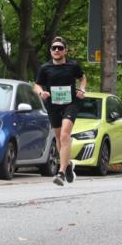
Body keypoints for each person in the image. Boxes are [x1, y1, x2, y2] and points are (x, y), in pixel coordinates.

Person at [33, 36, 87, 186]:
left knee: (65, 135)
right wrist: (41, 93)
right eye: (54, 48)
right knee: (58, 137)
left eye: (60, 48)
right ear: (50, 51)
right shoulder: (45, 68)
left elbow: (82, 78)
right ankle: (68, 165)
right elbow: (36, 85)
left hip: (71, 103)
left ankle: (61, 172)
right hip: (53, 104)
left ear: (65, 51)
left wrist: (82, 89)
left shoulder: (73, 66)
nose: (57, 50)